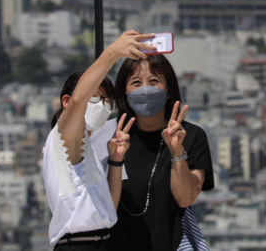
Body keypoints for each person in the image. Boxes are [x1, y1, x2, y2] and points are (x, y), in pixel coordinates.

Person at [42, 30, 156, 249]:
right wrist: (112, 53)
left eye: (107, 101)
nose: (102, 105)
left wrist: (115, 161)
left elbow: (107, 208)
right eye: (95, 98)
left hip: (101, 241)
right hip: (77, 244)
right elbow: (77, 101)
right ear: (64, 101)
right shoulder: (63, 137)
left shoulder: (85, 147)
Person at [108, 54, 215, 251]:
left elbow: (185, 198)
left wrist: (177, 151)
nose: (145, 90)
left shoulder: (191, 136)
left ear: (168, 91)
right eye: (136, 82)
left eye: (154, 81)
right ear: (125, 92)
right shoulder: (109, 137)